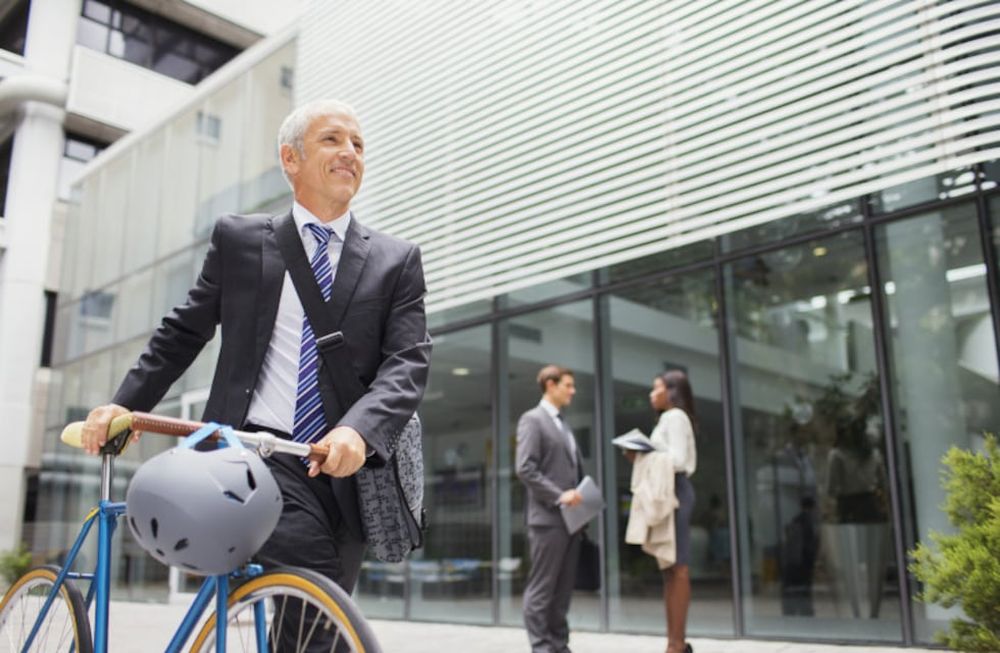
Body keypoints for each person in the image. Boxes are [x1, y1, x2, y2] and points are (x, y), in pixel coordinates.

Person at [80, 99, 432, 647]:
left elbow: (407, 362)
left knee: (314, 624)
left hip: (345, 471)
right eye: (332, 139)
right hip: (254, 456)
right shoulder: (241, 240)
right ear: (290, 159)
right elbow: (183, 332)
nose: (350, 152)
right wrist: (126, 404)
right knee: (318, 611)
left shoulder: (397, 260)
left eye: (358, 144)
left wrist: (358, 431)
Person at [516, 365, 584, 653]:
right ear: (550, 385)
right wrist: (559, 496)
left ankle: (559, 645)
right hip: (547, 520)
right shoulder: (533, 420)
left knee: (562, 591)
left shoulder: (563, 424)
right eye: (568, 385)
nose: (573, 391)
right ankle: (541, 647)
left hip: (571, 520)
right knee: (542, 589)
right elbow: (525, 468)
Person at [641, 370, 697, 653]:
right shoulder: (667, 418)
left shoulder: (675, 416)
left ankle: (676, 644)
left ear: (671, 391)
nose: (652, 394)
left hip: (675, 491)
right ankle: (675, 643)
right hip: (667, 491)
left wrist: (645, 454)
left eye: (656, 388)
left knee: (677, 567)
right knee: (670, 569)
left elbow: (677, 459)